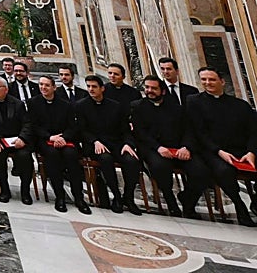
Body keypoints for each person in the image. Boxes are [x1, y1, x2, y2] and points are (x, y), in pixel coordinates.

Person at [185, 66, 257, 226]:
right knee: (224, 171)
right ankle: (240, 207)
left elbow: (254, 131)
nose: (207, 83)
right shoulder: (194, 101)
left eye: (211, 79)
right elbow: (199, 132)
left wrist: (252, 152)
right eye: (204, 79)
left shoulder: (240, 105)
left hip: (241, 151)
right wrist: (219, 151)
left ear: (222, 81)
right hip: (211, 150)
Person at [131, 75, 210, 218]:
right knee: (160, 167)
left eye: (154, 88)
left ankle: (188, 201)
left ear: (163, 91)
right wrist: (158, 148)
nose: (149, 91)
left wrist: (186, 147)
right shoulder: (137, 106)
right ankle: (171, 201)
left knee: (201, 171)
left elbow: (188, 130)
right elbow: (140, 133)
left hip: (179, 149)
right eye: (147, 88)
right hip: (153, 149)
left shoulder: (176, 108)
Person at [76, 74, 142, 214]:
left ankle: (128, 197)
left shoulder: (115, 106)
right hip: (95, 145)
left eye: (94, 87)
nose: (91, 89)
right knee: (106, 159)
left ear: (102, 88)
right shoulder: (81, 106)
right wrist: (95, 141)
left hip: (116, 143)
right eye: (89, 87)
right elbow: (83, 130)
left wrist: (127, 143)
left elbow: (125, 129)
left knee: (132, 161)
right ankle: (116, 196)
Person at [29, 74, 91, 213]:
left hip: (64, 139)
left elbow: (73, 126)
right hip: (45, 140)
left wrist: (63, 137)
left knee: (72, 155)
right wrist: (50, 137)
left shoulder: (65, 104)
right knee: (52, 156)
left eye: (46, 85)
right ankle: (60, 196)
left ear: (54, 87)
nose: (43, 87)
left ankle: (79, 197)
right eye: (41, 84)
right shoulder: (33, 103)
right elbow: (34, 126)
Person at [0, 76, 34, 204]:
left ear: (5, 89)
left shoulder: (17, 103)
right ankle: (4, 190)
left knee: (25, 157)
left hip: (17, 139)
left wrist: (22, 138)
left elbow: (27, 123)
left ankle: (25, 191)